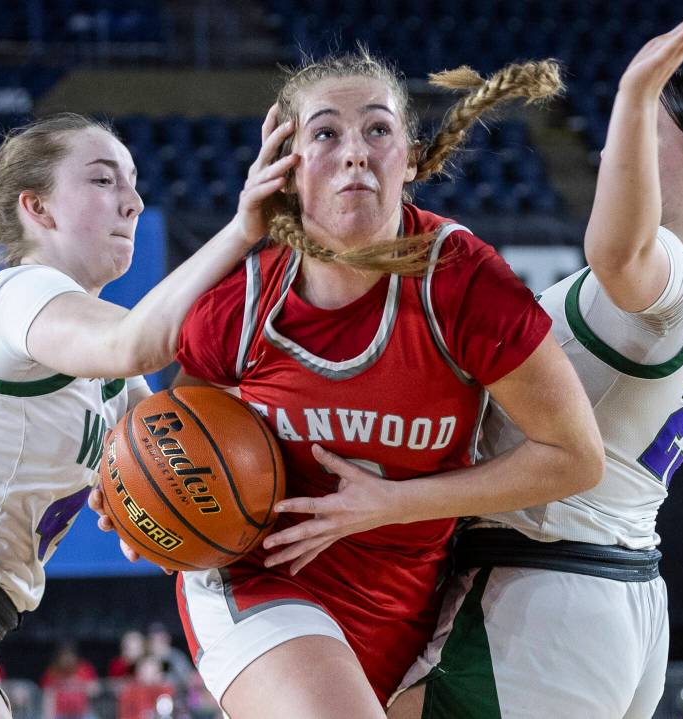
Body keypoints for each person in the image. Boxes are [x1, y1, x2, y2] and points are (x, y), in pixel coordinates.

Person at [386, 7, 683, 718]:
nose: (613, 150)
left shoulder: (672, 274)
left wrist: (637, 85)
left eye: (647, 130)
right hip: (604, 598)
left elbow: (613, 251)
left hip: (545, 600)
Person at [158, 50, 605, 719]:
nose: (354, 152)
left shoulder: (464, 280)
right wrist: (142, 504)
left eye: (377, 129)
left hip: (410, 600)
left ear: (412, 158)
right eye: (326, 133)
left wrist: (390, 503)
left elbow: (575, 455)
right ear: (287, 162)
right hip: (262, 583)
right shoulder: (244, 303)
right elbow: (170, 437)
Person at [0, 109, 298, 718]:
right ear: (37, 209)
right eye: (104, 181)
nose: (132, 202)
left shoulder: (112, 369)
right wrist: (242, 232)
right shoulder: (21, 293)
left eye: (132, 182)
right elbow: (135, 339)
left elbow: (192, 443)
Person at [39, 643, 99, 719]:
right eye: (64, 656)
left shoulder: (85, 669)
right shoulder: (52, 672)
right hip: (59, 714)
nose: (67, 659)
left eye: (70, 655)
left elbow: (94, 690)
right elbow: (47, 696)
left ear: (75, 657)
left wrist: (78, 685)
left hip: (82, 714)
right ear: (58, 658)